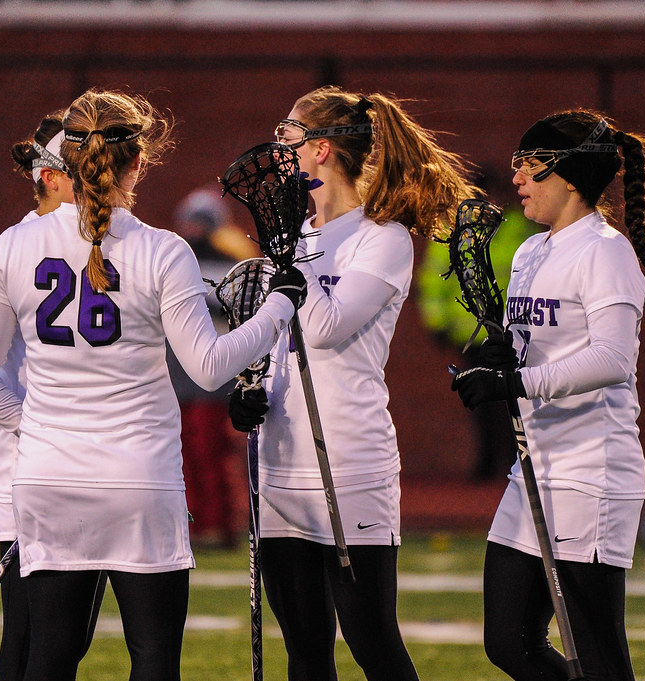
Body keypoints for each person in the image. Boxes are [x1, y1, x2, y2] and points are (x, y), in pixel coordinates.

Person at [0, 88, 305, 681]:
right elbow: (209, 368)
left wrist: (31, 412)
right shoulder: (162, 250)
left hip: (48, 476)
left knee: (48, 656)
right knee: (153, 658)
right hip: (138, 477)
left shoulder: (13, 244)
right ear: (138, 163)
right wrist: (278, 309)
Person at [229, 85, 474, 681]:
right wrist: (248, 384)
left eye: (288, 132)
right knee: (305, 651)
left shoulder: (380, 238)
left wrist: (292, 256)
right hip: (282, 462)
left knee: (371, 642)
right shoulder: (298, 236)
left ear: (322, 150)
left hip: (349, 462)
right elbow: (279, 338)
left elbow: (327, 328)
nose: (278, 143)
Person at [450, 109, 645, 680]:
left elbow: (612, 358)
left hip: (590, 474)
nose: (517, 177)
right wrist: (506, 357)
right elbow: (540, 350)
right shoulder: (530, 253)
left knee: (597, 652)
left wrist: (517, 381)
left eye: (530, 165)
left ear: (569, 176)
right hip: (533, 475)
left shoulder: (605, 250)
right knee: (509, 641)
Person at [0, 110, 105, 681]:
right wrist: (34, 424)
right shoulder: (13, 247)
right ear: (48, 174)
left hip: (87, 468)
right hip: (29, 470)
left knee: (64, 644)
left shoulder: (107, 240)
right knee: (29, 643)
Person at [414, 168, 534, 480]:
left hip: (513, 335)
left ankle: (512, 464)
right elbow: (433, 282)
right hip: (471, 335)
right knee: (483, 404)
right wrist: (438, 324)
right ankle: (486, 467)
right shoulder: (455, 234)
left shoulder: (519, 229)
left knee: (513, 400)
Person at [167, 187, 259, 548]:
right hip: (177, 375)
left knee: (210, 453)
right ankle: (195, 523)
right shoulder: (175, 259)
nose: (192, 229)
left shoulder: (234, 261)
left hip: (213, 376)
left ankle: (219, 524)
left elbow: (244, 311)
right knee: (184, 454)